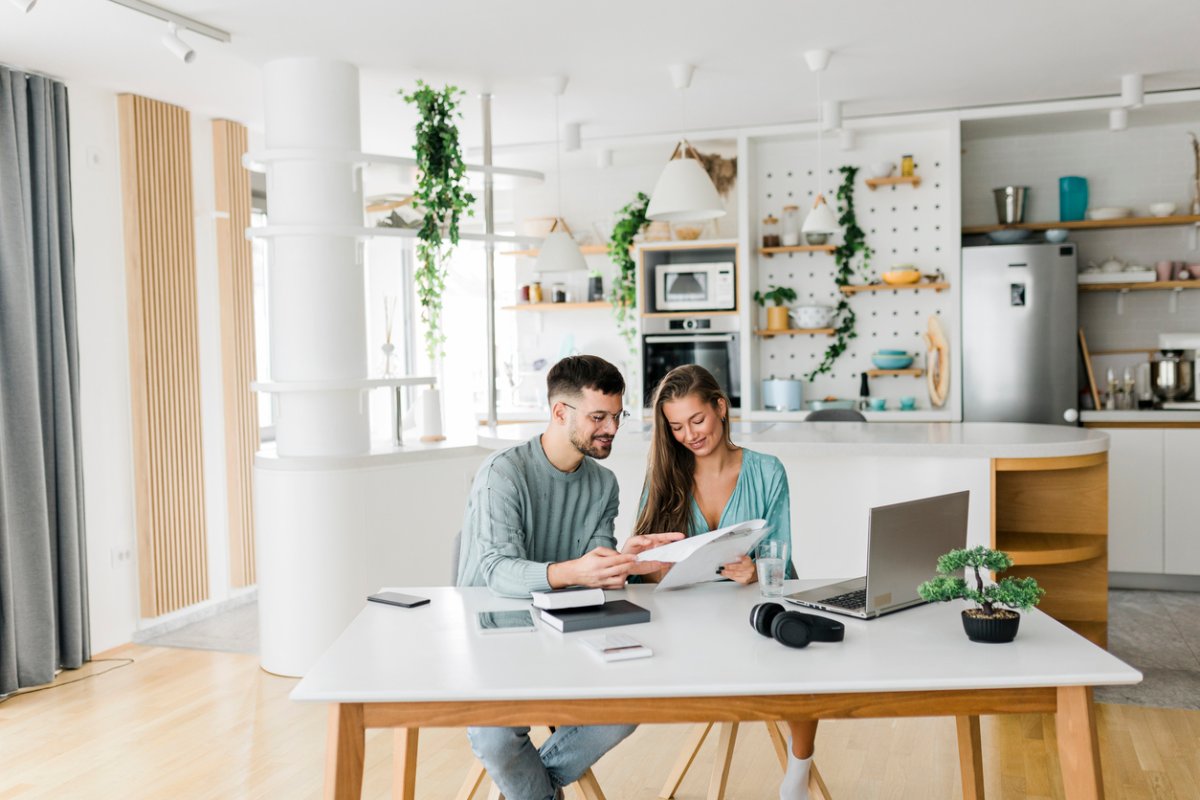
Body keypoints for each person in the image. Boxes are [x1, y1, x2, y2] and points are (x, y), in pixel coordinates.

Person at [457, 354, 681, 800]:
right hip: (495, 637)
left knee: (633, 700)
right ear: (560, 413)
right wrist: (579, 570)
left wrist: (624, 562)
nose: (612, 429)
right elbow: (498, 572)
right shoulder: (503, 474)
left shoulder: (604, 484)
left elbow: (591, 571)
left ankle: (536, 788)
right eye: (599, 417)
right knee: (496, 738)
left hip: (567, 633)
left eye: (617, 416)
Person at [632, 364, 818, 800]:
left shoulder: (767, 470)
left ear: (720, 407)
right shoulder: (665, 474)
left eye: (697, 420)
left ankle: (799, 769)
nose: (689, 435)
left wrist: (757, 571)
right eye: (676, 426)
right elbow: (644, 564)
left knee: (805, 662)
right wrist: (646, 558)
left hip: (754, 607)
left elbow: (784, 561)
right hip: (686, 617)